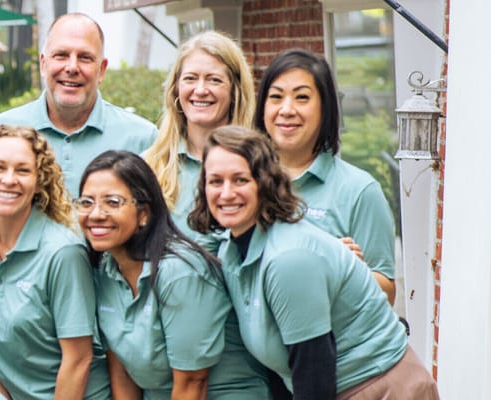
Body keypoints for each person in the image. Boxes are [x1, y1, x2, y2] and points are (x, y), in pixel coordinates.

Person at [188, 125, 437, 399]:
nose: (226, 193)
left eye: (240, 180)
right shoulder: (232, 251)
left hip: (379, 387)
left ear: (265, 183)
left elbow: (314, 373)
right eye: (215, 181)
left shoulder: (288, 258)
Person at [77, 150, 268, 399]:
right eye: (86, 202)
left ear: (144, 214)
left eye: (113, 202)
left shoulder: (179, 272)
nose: (96, 214)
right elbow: (122, 368)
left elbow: (192, 381)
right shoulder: (106, 268)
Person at [0, 125, 99, 399]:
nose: (9, 180)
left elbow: (78, 360)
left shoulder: (63, 253)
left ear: (39, 181)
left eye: (22, 170)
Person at [252, 49, 397, 303]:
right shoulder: (241, 183)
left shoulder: (359, 190)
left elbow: (386, 293)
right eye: (276, 97)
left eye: (302, 98)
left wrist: (343, 268)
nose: (286, 110)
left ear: (325, 108)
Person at [0, 13, 157, 192]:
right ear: (43, 64)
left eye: (85, 57)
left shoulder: (142, 139)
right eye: (61, 55)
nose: (72, 67)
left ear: (102, 70)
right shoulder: (0, 131)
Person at [142, 31, 255, 237]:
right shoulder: (148, 168)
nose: (200, 90)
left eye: (214, 80)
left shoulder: (260, 167)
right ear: (176, 88)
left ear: (235, 91)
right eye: (190, 79)